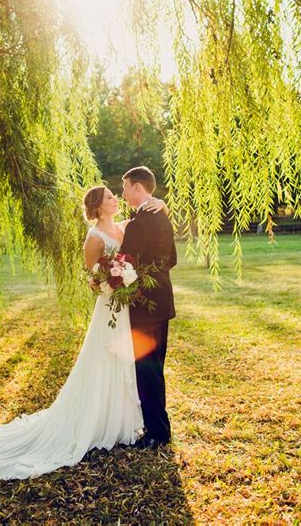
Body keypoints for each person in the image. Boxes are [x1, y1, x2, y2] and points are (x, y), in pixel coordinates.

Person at [0, 185, 168, 481]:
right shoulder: (93, 239)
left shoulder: (124, 226)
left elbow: (151, 215)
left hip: (130, 308)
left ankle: (122, 421)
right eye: (109, 197)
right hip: (110, 308)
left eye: (114, 196)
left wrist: (160, 203)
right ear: (97, 206)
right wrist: (113, 281)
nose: (115, 199)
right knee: (104, 359)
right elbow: (93, 280)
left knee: (128, 361)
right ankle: (95, 421)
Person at [120, 166, 177, 449]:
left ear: (138, 188)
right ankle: (160, 427)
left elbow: (124, 263)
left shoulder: (140, 223)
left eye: (126, 187)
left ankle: (156, 433)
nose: (122, 193)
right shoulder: (163, 218)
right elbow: (172, 259)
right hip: (163, 300)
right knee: (156, 366)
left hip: (144, 305)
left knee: (146, 369)